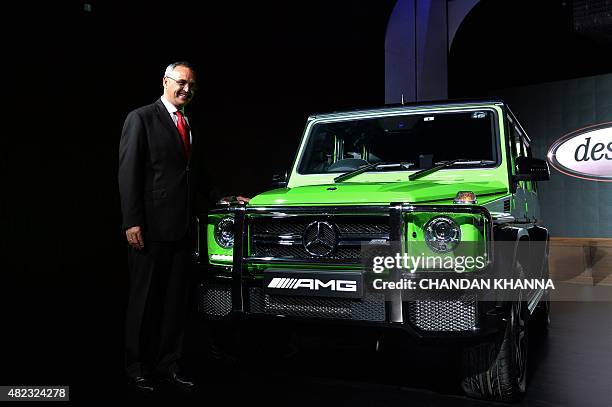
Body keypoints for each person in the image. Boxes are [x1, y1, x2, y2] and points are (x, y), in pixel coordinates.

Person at [118, 61, 201, 394]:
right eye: (181, 82)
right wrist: (131, 221)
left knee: (174, 303)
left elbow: (189, 172)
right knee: (144, 302)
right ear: (166, 81)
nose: (187, 90)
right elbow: (128, 172)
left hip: (181, 229)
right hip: (149, 230)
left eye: (192, 86)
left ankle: (169, 366)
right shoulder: (141, 118)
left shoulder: (187, 122)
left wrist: (219, 197)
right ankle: (136, 368)